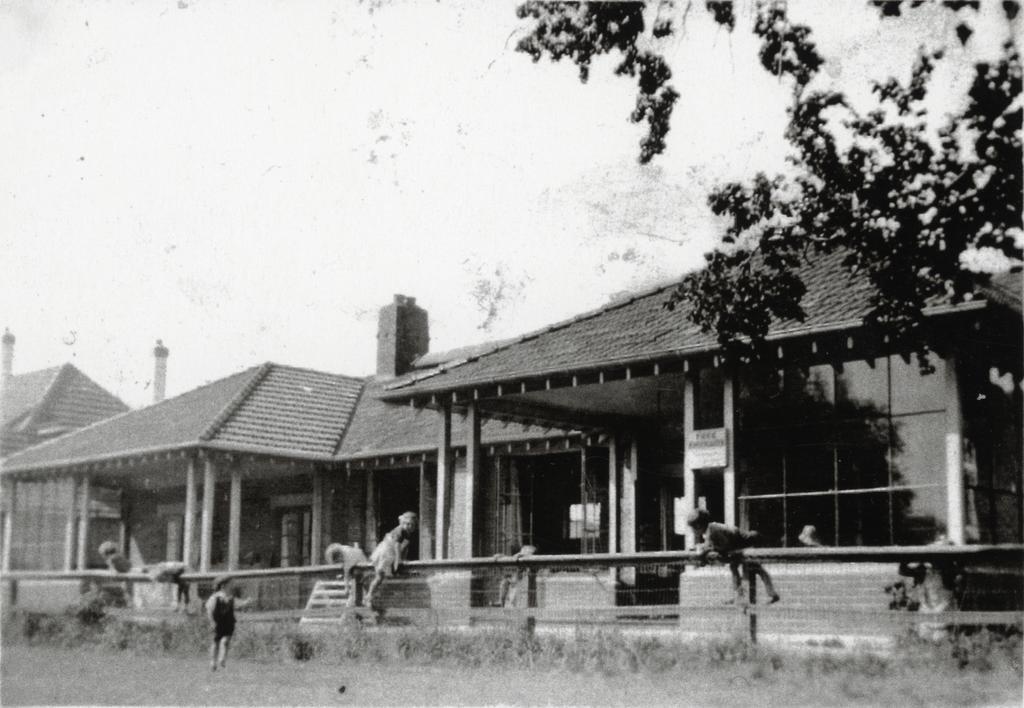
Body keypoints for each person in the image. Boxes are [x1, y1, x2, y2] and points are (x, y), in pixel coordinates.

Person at [686, 508, 780, 605]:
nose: (692, 531)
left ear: (698, 526)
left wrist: (708, 550)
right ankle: (743, 596)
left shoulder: (712, 530)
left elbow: (723, 546)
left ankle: (770, 594)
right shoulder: (709, 531)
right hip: (740, 545)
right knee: (736, 567)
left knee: (756, 568)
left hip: (749, 542)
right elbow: (709, 547)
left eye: (692, 528)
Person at [365, 511, 417, 608]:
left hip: (390, 553)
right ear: (403, 523)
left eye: (411, 525)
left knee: (386, 576)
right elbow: (397, 546)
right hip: (385, 552)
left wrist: (403, 559)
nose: (409, 526)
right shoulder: (400, 530)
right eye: (407, 524)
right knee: (379, 576)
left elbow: (404, 547)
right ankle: (369, 596)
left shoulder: (406, 534)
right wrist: (399, 560)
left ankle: (377, 597)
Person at [205, 576, 250, 671]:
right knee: (216, 642)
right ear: (224, 585)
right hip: (218, 622)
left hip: (229, 622)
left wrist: (247, 602)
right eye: (231, 584)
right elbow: (209, 609)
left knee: (226, 641)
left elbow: (238, 604)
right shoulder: (215, 597)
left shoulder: (231, 598)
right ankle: (213, 661)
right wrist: (212, 621)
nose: (233, 586)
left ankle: (222, 658)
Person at [495, 544, 537, 608]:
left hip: (525, 604)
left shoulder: (531, 570)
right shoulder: (513, 570)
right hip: (513, 604)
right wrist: (500, 556)